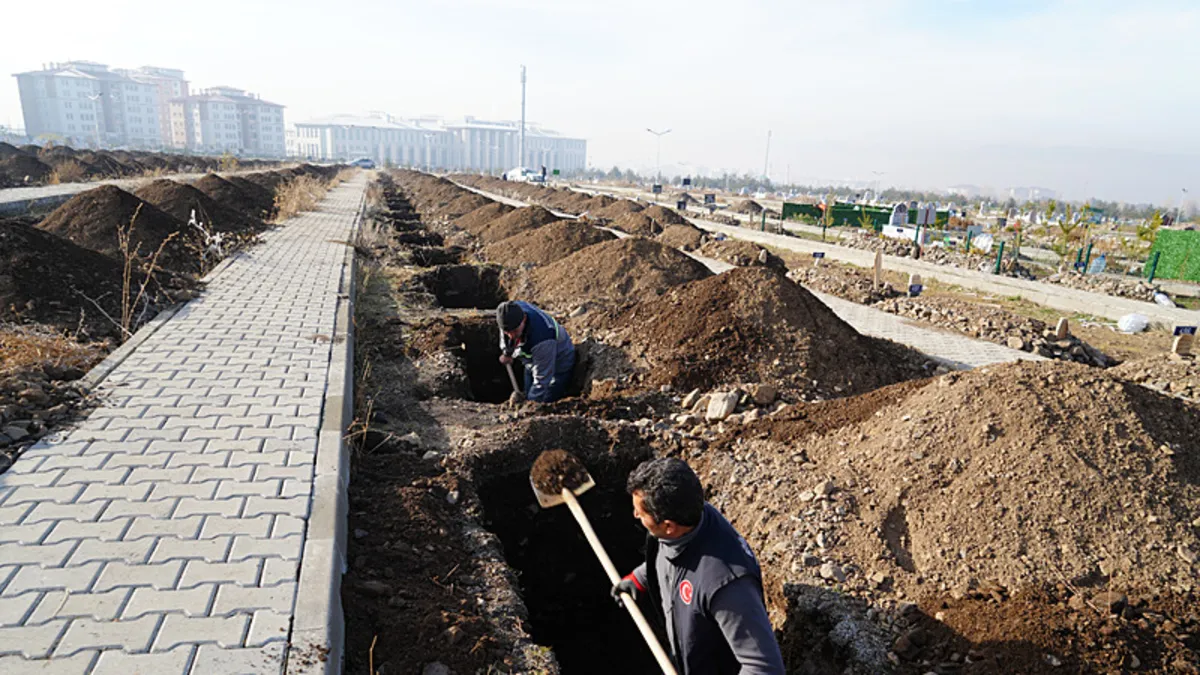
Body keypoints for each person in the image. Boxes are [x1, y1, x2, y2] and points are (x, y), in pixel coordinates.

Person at [612, 458, 785, 675]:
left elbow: (764, 668)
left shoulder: (727, 586)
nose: (635, 515)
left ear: (668, 526)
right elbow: (671, 557)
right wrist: (639, 578)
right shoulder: (685, 518)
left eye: (640, 512)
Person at [496, 300, 575, 404]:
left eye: (514, 331)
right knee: (529, 391)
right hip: (531, 360)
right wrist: (507, 353)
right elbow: (507, 333)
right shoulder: (509, 315)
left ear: (524, 319)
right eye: (507, 332)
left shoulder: (542, 338)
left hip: (558, 363)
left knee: (545, 400)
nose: (511, 336)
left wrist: (530, 405)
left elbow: (542, 380)